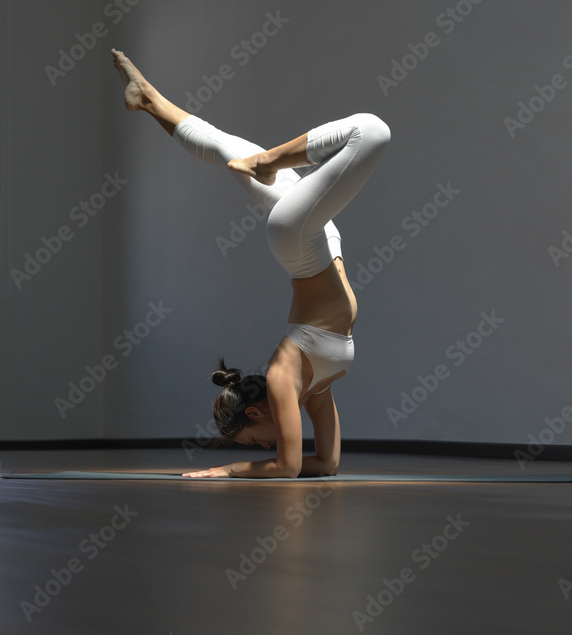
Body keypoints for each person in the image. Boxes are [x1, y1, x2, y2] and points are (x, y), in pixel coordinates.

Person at [111, 49, 391, 479]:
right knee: (227, 147)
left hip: (300, 244)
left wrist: (224, 471)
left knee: (372, 131)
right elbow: (324, 465)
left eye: (257, 440)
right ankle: (148, 99)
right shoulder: (311, 389)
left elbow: (285, 467)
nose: (267, 445)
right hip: (321, 242)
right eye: (258, 447)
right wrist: (248, 466)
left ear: (258, 411)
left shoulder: (284, 376)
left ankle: (267, 160)